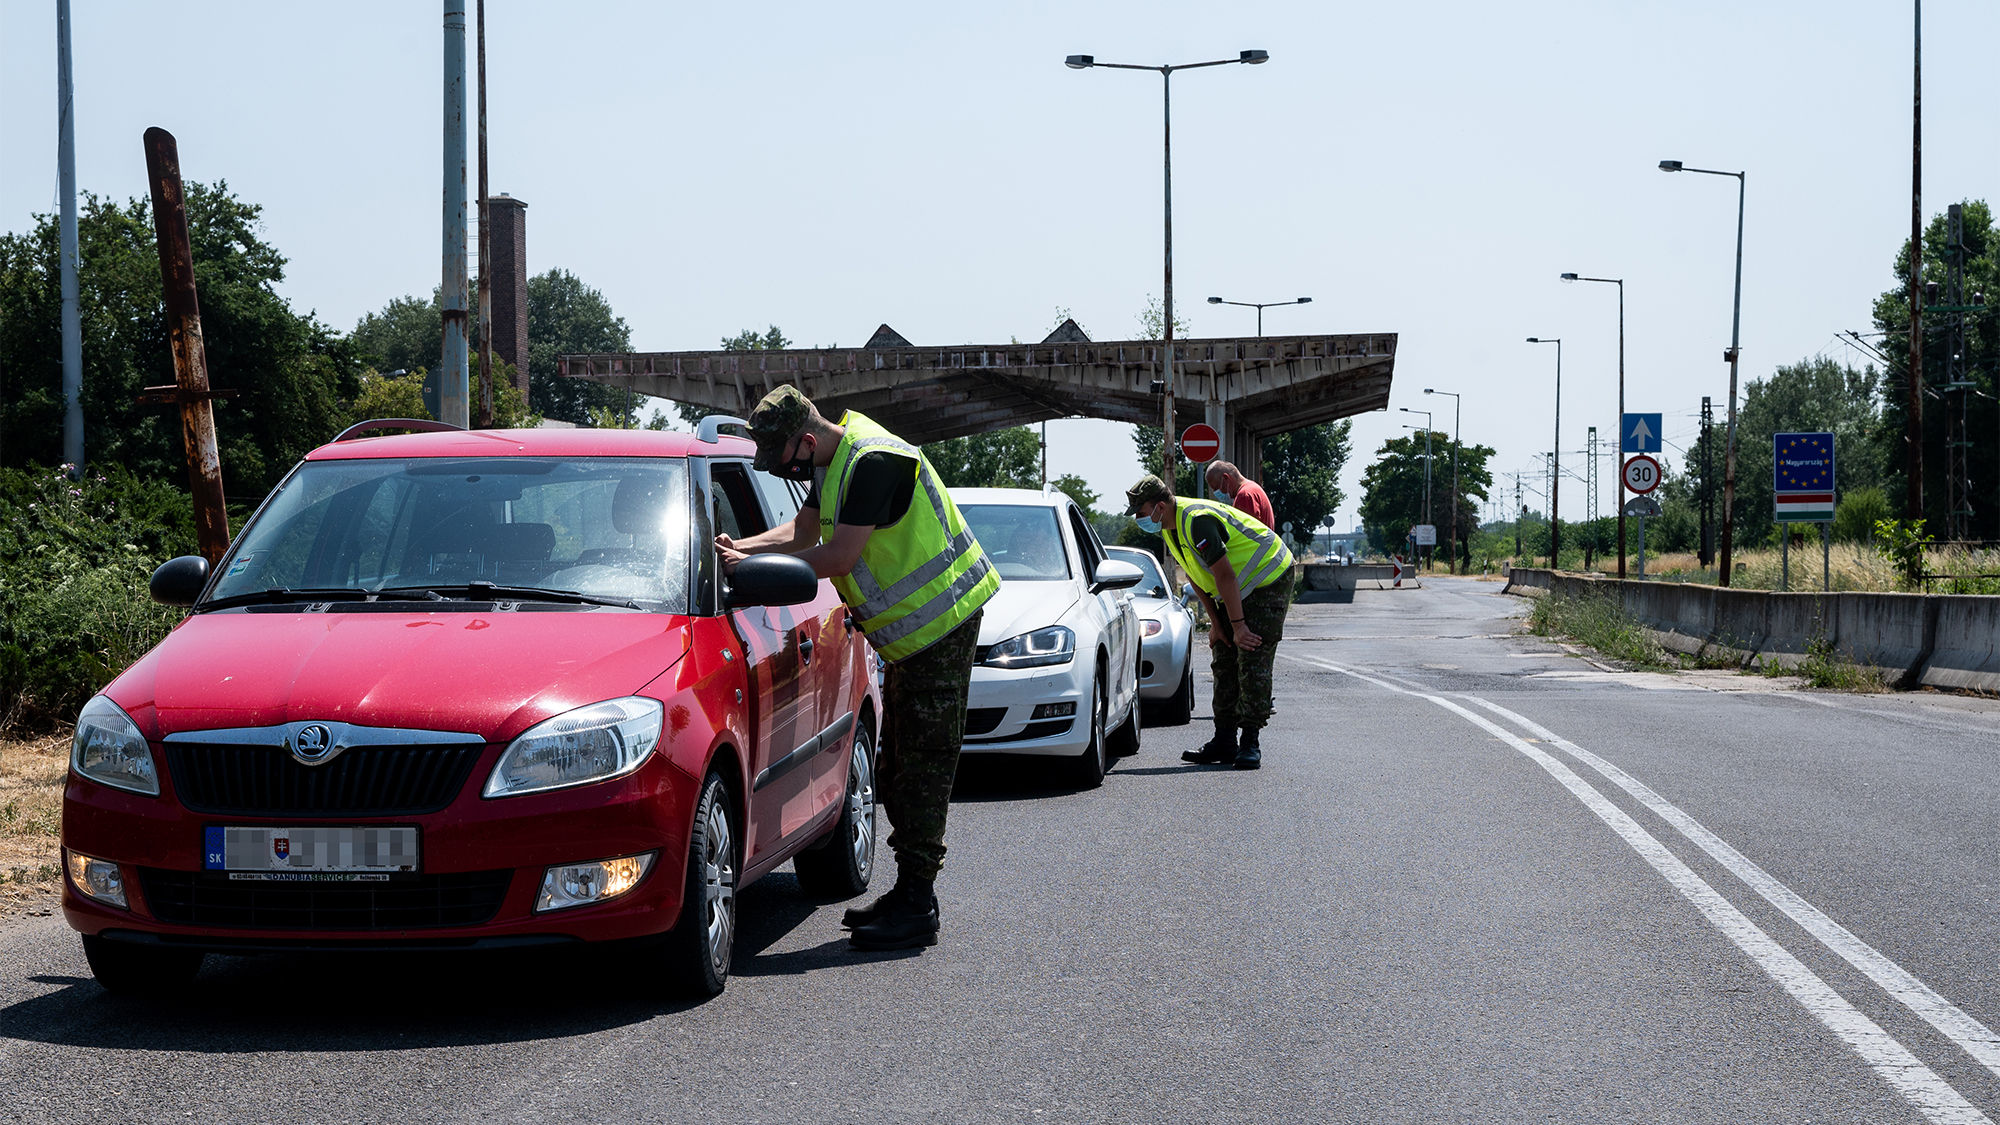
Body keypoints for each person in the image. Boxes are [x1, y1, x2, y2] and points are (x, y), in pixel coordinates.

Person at [716, 385, 1000, 951]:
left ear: (806, 438)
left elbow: (838, 556)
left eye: (784, 459)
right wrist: (737, 548)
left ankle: (917, 904)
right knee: (895, 765)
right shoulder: (831, 462)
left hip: (940, 626)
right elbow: (800, 534)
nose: (785, 470)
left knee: (921, 770)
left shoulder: (874, 461)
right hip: (909, 641)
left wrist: (749, 569)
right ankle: (909, 894)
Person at [1126, 474, 1294, 770]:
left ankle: (1250, 741)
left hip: (1268, 579)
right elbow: (1196, 575)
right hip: (1235, 588)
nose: (1140, 519)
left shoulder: (1197, 520)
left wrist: (1240, 625)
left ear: (1160, 506)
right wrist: (1218, 624)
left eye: (1141, 512)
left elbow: (1225, 574)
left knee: (1250, 656)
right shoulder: (1169, 528)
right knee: (1224, 656)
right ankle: (1225, 739)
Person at [1205, 461, 1275, 529]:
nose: (1216, 492)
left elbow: (1247, 532)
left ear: (1226, 478)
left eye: (1216, 487)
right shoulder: (1252, 488)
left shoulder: (1244, 495)